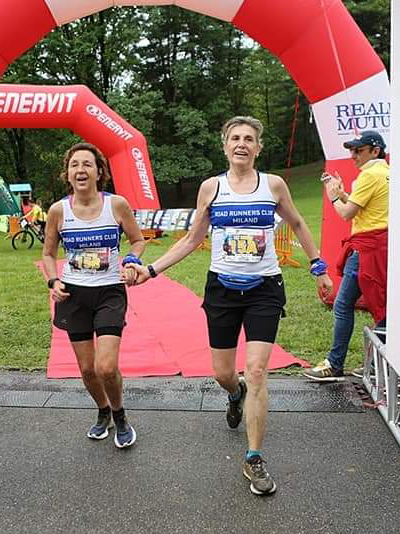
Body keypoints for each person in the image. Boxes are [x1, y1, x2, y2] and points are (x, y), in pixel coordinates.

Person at [126, 116, 333, 496]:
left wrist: (317, 266)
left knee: (256, 371)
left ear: (257, 148)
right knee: (224, 373)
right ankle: (233, 394)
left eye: (249, 139)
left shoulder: (273, 185)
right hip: (222, 289)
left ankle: (254, 457)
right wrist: (150, 270)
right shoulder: (211, 188)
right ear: (225, 147)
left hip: (264, 290)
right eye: (235, 138)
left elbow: (300, 223)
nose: (241, 143)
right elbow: (191, 240)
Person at [41, 143, 146, 448]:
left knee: (105, 367)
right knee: (87, 370)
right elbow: (48, 254)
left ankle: (120, 414)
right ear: (68, 174)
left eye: (87, 164)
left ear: (99, 172)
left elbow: (137, 241)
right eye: (75, 165)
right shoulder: (58, 211)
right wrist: (52, 281)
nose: (81, 170)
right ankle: (103, 412)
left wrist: (131, 260)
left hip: (110, 292)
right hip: (74, 296)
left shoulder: (117, 205)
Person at [303, 130, 389, 381]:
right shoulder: (385, 172)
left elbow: (347, 214)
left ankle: (336, 363)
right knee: (383, 309)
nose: (353, 155)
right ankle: (375, 367)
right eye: (352, 150)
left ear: (375, 150)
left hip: (366, 249)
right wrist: (341, 194)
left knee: (345, 305)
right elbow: (364, 207)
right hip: (379, 246)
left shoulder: (369, 175)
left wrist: (332, 198)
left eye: (358, 150)